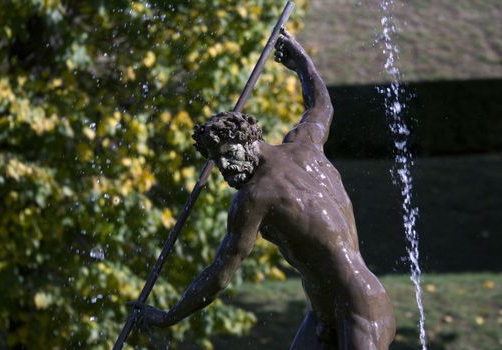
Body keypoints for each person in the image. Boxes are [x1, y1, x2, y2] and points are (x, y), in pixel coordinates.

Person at [129, 28, 395, 350]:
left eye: (228, 155)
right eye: (217, 160)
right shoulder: (305, 143)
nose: (225, 167)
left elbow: (219, 275)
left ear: (250, 139)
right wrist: (301, 62)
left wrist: (167, 317)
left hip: (358, 307)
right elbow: (321, 105)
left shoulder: (255, 196)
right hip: (321, 313)